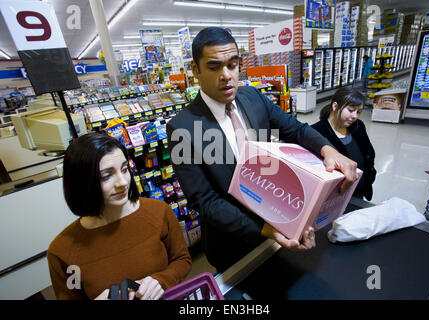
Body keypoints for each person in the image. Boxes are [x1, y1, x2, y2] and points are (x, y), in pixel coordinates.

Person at [167, 27, 359, 272]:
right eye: (214, 67)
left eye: (233, 65)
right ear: (195, 70)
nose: (227, 76)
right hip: (232, 242)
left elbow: (294, 129)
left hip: (280, 216)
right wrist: (266, 228)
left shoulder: (252, 97)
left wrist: (329, 149)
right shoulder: (181, 128)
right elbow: (205, 202)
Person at [47, 132, 192, 299]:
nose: (122, 182)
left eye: (124, 169)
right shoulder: (62, 251)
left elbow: (182, 260)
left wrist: (161, 281)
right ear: (81, 183)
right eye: (106, 176)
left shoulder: (158, 212)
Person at [312, 87, 376, 201]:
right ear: (335, 106)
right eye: (351, 110)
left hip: (358, 193)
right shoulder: (316, 132)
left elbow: (368, 154)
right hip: (335, 197)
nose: (355, 116)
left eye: (358, 112)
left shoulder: (358, 126)